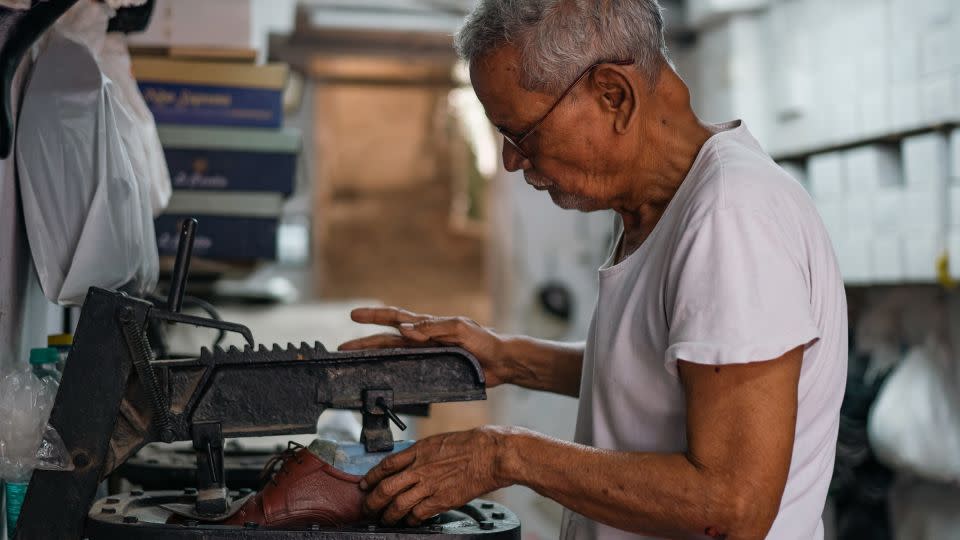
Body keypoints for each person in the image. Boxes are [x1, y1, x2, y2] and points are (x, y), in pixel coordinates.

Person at [338, 1, 847, 538]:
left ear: (613, 96)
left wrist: (503, 455)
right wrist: (506, 358)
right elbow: (658, 377)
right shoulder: (660, 207)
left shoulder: (730, 219)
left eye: (522, 134)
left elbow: (729, 504)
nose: (512, 160)